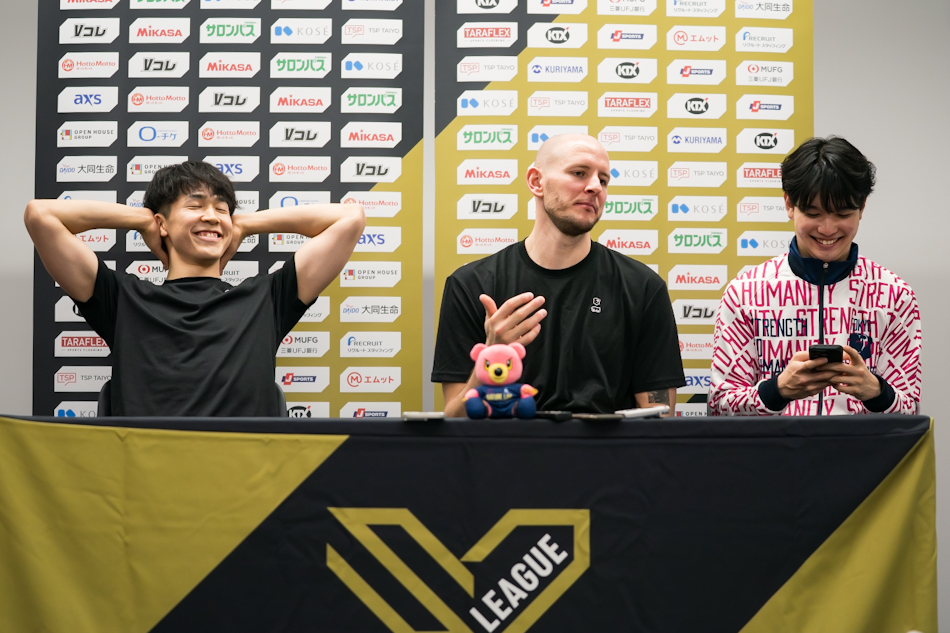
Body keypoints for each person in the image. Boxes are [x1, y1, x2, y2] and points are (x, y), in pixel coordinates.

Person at [24, 161, 365, 416]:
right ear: (162, 223)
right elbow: (40, 215)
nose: (212, 217)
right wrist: (142, 220)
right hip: (148, 477)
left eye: (221, 209)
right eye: (195, 205)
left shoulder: (268, 298)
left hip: (244, 478)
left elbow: (350, 219)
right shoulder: (123, 298)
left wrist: (244, 224)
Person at [433, 134, 685, 416]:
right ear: (536, 182)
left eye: (603, 180)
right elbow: (455, 419)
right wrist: (493, 354)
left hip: (607, 446)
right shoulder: (471, 285)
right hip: (507, 445)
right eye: (579, 173)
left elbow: (659, 416)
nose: (595, 187)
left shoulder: (643, 287)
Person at [709, 137, 921, 416]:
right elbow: (720, 405)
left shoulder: (894, 295)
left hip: (864, 447)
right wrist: (777, 390)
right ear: (789, 204)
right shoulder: (745, 293)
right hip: (772, 446)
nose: (827, 229)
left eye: (842, 214)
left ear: (862, 207)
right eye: (813, 213)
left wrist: (876, 392)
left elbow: (910, 411)